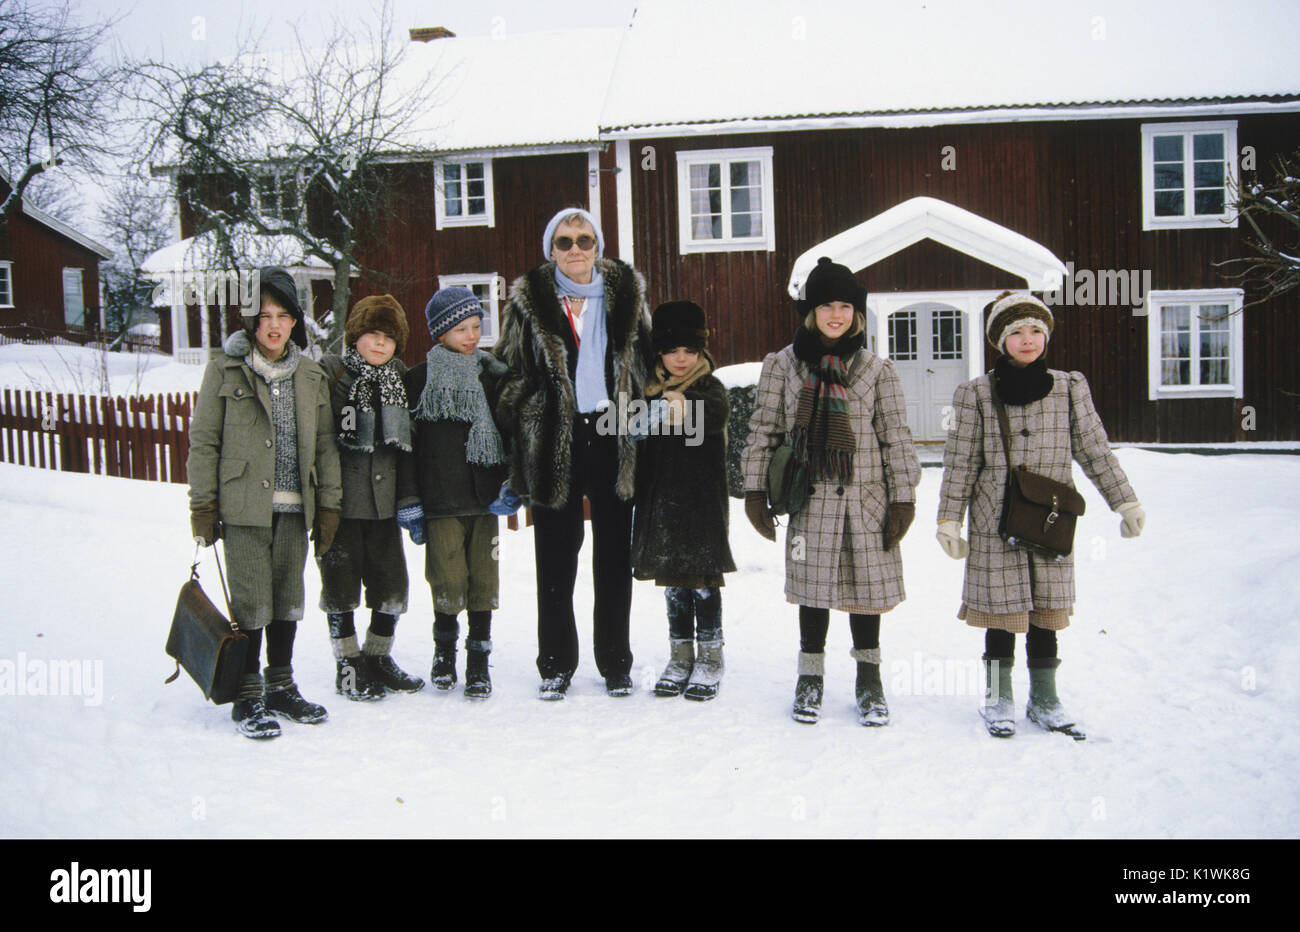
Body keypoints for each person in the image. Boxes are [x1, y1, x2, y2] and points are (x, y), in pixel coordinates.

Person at [937, 291, 1146, 739]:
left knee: (1046, 613)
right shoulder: (974, 394)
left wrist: (1124, 501)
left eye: (1035, 330)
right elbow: (960, 462)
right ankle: (998, 699)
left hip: (1051, 518)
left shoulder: (1069, 387)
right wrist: (948, 520)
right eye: (1016, 332)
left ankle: (1046, 699)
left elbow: (1094, 450)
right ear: (1000, 340)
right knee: (1001, 615)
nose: (1027, 339)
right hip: (996, 522)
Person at [742, 257, 920, 725]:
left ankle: (869, 679)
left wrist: (903, 497)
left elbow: (895, 437)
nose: (836, 315)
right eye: (826, 306)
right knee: (813, 592)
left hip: (867, 501)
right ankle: (810, 677)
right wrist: (755, 491)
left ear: (857, 314)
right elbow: (764, 431)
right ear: (811, 312)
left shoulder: (877, 370)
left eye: (845, 306)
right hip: (810, 497)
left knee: (866, 593)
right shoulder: (782, 365)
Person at [494, 207, 654, 700]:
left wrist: (644, 411)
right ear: (552, 251)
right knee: (556, 558)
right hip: (554, 437)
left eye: (585, 239)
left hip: (611, 430)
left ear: (597, 246)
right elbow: (508, 371)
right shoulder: (529, 302)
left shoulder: (626, 297)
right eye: (564, 242)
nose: (576, 249)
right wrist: (531, 410)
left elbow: (647, 362)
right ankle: (556, 664)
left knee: (613, 557)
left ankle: (616, 663)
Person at [187, 267, 342, 739]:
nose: (273, 326)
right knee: (252, 602)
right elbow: (204, 441)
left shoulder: (312, 375)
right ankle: (248, 694)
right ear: (251, 322)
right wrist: (203, 505)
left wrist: (330, 504)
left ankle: (281, 685)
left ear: (296, 322)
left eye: (283, 316)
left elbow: (327, 446)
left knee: (287, 600)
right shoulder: (224, 368)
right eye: (264, 317)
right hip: (242, 508)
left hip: (296, 508)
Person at [404, 286, 512, 699]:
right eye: (460, 329)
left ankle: (479, 662)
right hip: (440, 502)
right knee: (447, 581)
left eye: (476, 326)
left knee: (484, 582)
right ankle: (444, 653)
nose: (471, 336)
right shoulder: (419, 379)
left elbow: (507, 433)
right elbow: (407, 446)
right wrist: (410, 501)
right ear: (440, 333)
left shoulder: (493, 376)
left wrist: (510, 482)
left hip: (485, 501)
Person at [316, 294, 424, 702]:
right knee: (340, 588)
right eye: (372, 335)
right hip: (340, 504)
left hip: (384, 504)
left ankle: (378, 658)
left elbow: (409, 444)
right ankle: (347, 666)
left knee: (391, 585)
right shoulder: (332, 372)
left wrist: (409, 498)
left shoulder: (400, 378)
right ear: (355, 335)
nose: (380, 345)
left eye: (389, 338)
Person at [630, 301, 736, 701]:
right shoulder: (650, 390)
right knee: (674, 581)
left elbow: (709, 416)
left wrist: (670, 407)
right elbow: (634, 429)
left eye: (689, 351)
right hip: (663, 500)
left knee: (703, 581)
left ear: (700, 353)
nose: (680, 359)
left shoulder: (710, 389)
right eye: (672, 351)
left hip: (701, 501)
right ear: (660, 352)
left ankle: (711, 656)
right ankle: (680, 654)